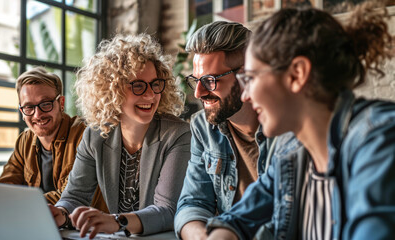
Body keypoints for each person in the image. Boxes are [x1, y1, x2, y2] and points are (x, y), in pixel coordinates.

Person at [207, 2, 395, 239]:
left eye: (251, 78)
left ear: (296, 74)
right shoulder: (291, 154)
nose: (245, 95)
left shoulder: (379, 141)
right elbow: (235, 220)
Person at [49, 34, 191, 239]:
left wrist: (117, 221)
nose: (150, 95)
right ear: (112, 89)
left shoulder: (177, 134)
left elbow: (168, 210)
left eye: (155, 84)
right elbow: (75, 196)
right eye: (138, 85)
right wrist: (61, 213)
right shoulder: (94, 136)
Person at [175, 21, 275, 239]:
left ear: (245, 76)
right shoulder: (204, 127)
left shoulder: (283, 127)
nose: (198, 93)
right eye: (196, 80)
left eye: (210, 81)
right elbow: (192, 204)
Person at [0, 67, 107, 212]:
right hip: (36, 222)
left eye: (46, 104)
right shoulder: (24, 141)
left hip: (83, 229)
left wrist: (15, 203)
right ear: (21, 111)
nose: (37, 115)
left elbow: (71, 196)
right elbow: (4, 187)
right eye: (29, 107)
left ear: (61, 103)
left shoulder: (85, 134)